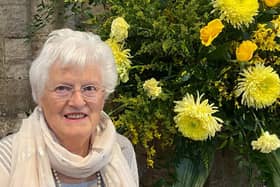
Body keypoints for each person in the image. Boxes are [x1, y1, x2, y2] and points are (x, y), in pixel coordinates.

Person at [0, 28, 139, 187]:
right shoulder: (8, 158)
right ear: (40, 96)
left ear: (104, 96)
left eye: (89, 88)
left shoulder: (122, 149)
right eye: (62, 88)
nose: (77, 102)